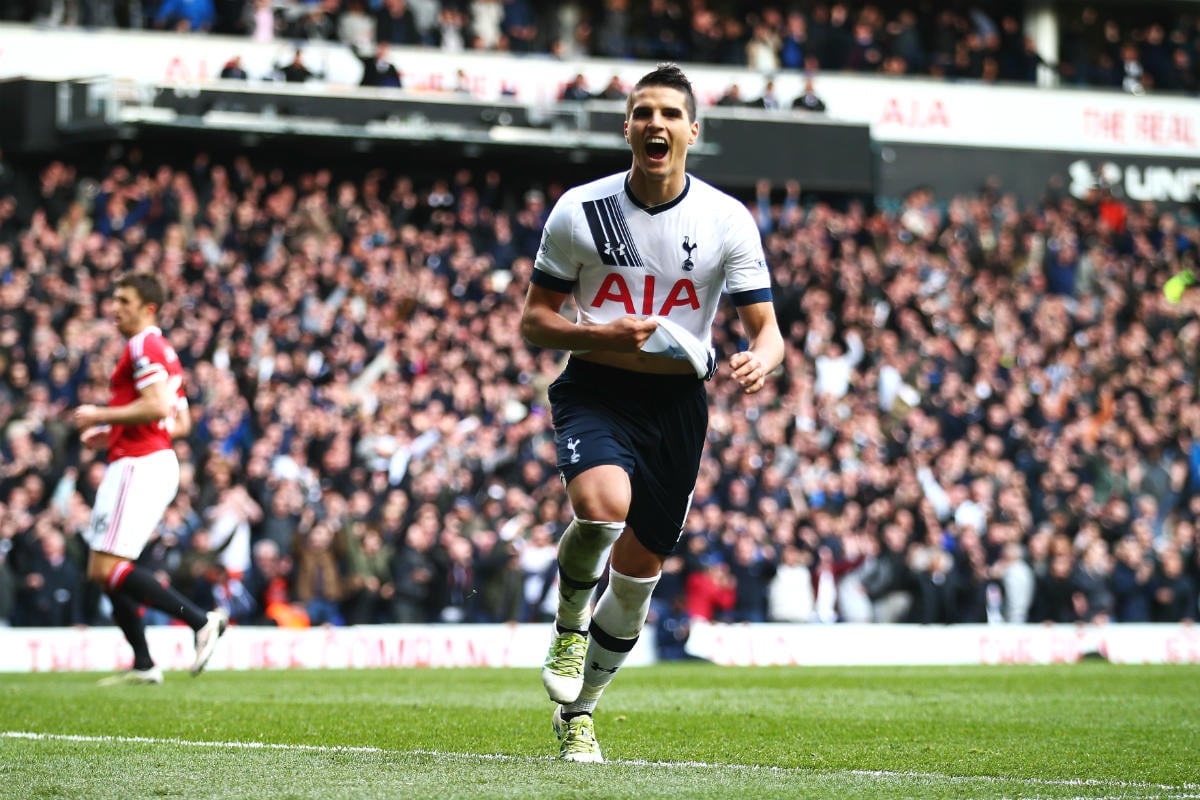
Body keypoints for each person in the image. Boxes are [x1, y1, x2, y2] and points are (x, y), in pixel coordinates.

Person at [519, 63, 784, 763]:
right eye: (642, 113)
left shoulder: (727, 219)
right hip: (598, 386)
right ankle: (569, 623)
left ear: (693, 130)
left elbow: (769, 329)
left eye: (669, 113)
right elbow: (536, 323)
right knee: (602, 509)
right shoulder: (582, 210)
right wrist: (596, 335)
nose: (655, 124)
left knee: (637, 581)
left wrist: (764, 356)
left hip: (676, 406)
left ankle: (580, 714)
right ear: (627, 127)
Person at [71, 272, 228, 685]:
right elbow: (179, 421)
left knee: (108, 568)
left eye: (124, 300)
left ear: (149, 308)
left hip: (139, 464)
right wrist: (114, 432)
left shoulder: (143, 343)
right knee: (102, 568)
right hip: (144, 458)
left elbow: (158, 406)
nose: (115, 307)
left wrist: (101, 414)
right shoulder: (164, 351)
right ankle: (144, 663)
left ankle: (200, 621)